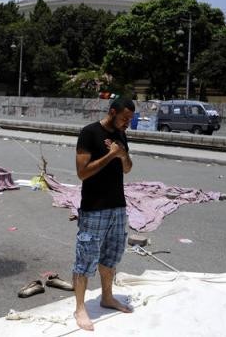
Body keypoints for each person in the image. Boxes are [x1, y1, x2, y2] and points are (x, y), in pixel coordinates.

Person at [73, 97, 135, 331]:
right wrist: (110, 155)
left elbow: (127, 168)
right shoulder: (89, 133)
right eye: (125, 118)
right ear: (112, 112)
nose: (128, 123)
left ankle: (107, 297)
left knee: (111, 257)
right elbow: (82, 173)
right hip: (94, 207)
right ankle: (80, 308)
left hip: (118, 207)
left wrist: (121, 155)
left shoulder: (121, 134)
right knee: (85, 259)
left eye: (130, 119)